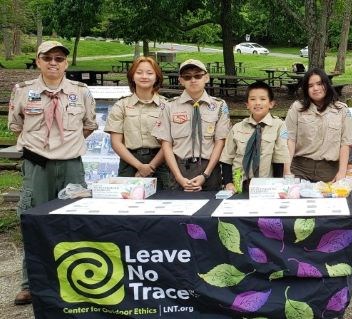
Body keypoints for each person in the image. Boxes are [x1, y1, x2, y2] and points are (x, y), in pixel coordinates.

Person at [8, 40, 98, 304]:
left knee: (76, 221)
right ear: (38, 61)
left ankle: (80, 280)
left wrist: (64, 145)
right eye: (47, 58)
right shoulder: (23, 90)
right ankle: (30, 283)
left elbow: (89, 125)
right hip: (37, 165)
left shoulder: (80, 91)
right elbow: (16, 126)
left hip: (71, 165)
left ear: (66, 63)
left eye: (59, 59)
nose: (53, 63)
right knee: (33, 220)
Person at [152, 59, 230, 191]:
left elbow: (220, 142)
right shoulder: (170, 106)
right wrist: (178, 177)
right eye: (187, 77)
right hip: (179, 168)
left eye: (198, 76)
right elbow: (166, 144)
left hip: (209, 169)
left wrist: (206, 174)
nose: (193, 80)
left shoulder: (219, 105)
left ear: (206, 77)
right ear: (180, 80)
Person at [104, 56, 171, 190]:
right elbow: (116, 142)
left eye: (149, 73)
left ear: (157, 77)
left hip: (161, 162)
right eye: (139, 72)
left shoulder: (167, 106)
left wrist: (151, 166)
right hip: (129, 162)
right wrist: (139, 166)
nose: (144, 76)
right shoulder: (121, 105)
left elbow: (170, 141)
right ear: (132, 77)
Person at [285, 68, 352, 182]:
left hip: (329, 172)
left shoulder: (342, 110)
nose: (315, 88)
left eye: (319, 84)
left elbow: (345, 143)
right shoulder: (296, 108)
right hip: (299, 169)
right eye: (310, 85)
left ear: (327, 85)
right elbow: (290, 139)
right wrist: (287, 171)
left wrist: (341, 173)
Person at [220, 81, 291, 192]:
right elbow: (227, 158)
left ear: (271, 103)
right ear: (247, 104)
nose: (257, 103)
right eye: (253, 99)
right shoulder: (237, 128)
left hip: (265, 187)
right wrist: (228, 183)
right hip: (238, 184)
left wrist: (277, 185)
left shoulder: (278, 125)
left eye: (263, 99)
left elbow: (279, 159)